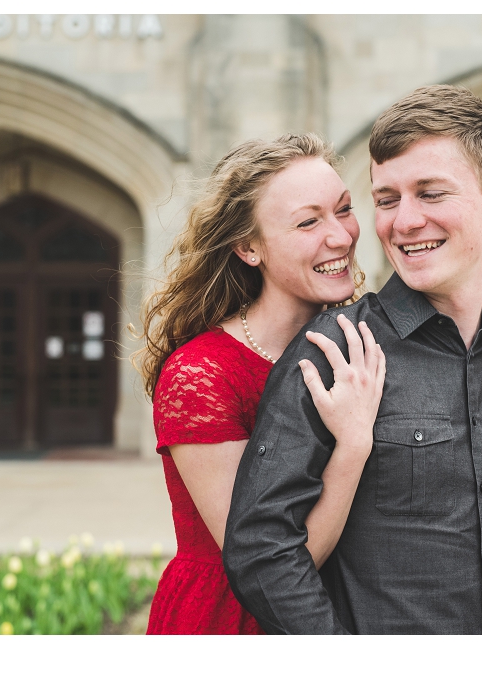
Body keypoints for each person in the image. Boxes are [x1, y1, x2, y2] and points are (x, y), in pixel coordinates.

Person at [222, 85, 482, 634]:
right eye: (386, 199)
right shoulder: (337, 350)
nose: (403, 222)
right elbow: (260, 549)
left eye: (430, 193)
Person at [133, 133, 388, 634]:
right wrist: (353, 444)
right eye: (308, 221)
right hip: (233, 620)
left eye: (343, 209)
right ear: (249, 248)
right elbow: (268, 566)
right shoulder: (200, 375)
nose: (340, 236)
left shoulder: (358, 345)